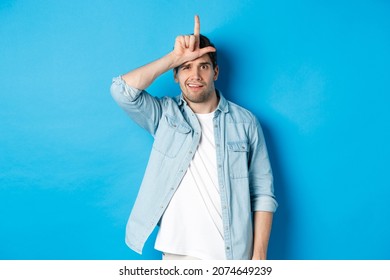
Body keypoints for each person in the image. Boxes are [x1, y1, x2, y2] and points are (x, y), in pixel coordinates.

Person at [110, 15, 278, 260]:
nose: (195, 75)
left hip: (232, 256)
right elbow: (121, 91)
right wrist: (173, 58)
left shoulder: (246, 123)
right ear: (175, 75)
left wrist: (259, 258)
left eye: (203, 66)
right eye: (186, 67)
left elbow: (262, 193)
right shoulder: (164, 115)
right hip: (178, 255)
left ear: (216, 72)